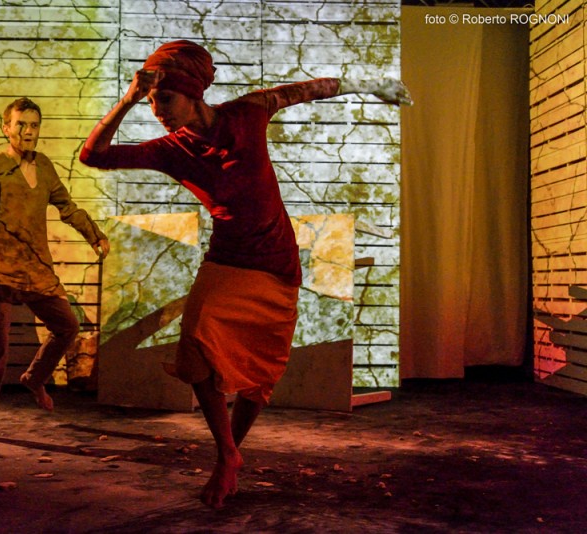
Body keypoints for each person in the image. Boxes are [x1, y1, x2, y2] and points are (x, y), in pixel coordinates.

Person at [80, 40, 411, 508]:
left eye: (164, 99)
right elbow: (93, 156)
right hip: (227, 261)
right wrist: (129, 98)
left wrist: (375, 84)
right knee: (195, 351)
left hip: (277, 264)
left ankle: (228, 456)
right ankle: (227, 454)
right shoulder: (170, 150)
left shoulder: (248, 113)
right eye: (151, 102)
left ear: (193, 94)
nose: (157, 111)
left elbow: (310, 89)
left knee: (261, 374)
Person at [0, 97, 110, 444]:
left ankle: (34, 378)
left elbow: (68, 208)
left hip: (36, 267)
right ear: (6, 128)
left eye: (33, 126)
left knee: (67, 326)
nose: (28, 132)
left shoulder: (46, 167)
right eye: (20, 125)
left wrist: (95, 235)